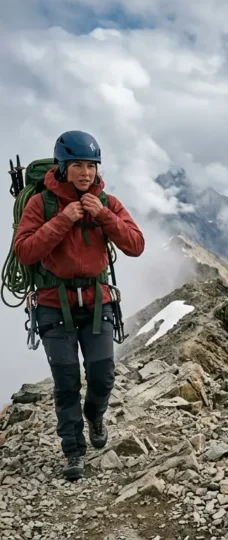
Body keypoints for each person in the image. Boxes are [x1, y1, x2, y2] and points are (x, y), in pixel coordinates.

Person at [13, 130, 145, 480]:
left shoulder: (107, 202)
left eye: (91, 165)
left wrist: (103, 216)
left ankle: (95, 415)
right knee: (67, 379)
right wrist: (63, 220)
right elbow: (24, 251)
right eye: (78, 166)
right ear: (62, 167)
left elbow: (135, 245)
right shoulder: (41, 204)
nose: (86, 173)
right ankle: (73, 451)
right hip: (53, 305)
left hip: (98, 302)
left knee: (102, 374)